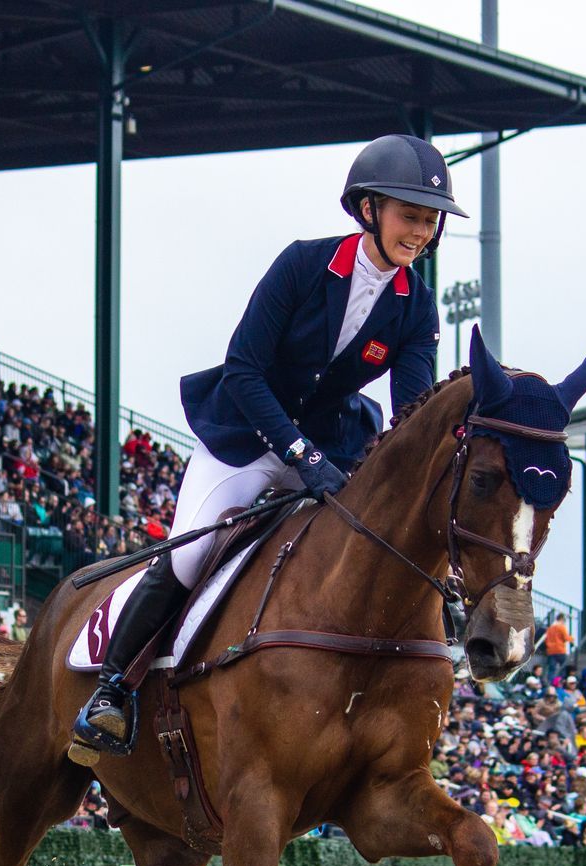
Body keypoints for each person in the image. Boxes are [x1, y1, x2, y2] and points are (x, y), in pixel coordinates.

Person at [71, 134, 463, 762]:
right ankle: (113, 689)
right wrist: (302, 458)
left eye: (429, 220)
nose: (420, 232)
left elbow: (412, 411)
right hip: (247, 437)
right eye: (409, 215)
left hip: (335, 447)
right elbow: (244, 370)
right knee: (194, 552)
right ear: (368, 209)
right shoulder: (304, 265)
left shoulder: (415, 306)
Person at [541, 611, 571, 684]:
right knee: (563, 667)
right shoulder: (561, 627)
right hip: (560, 650)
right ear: (562, 619)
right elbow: (566, 638)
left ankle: (551, 683)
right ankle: (561, 682)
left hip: (551, 651)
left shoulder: (550, 628)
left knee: (552, 669)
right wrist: (572, 639)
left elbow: (546, 639)